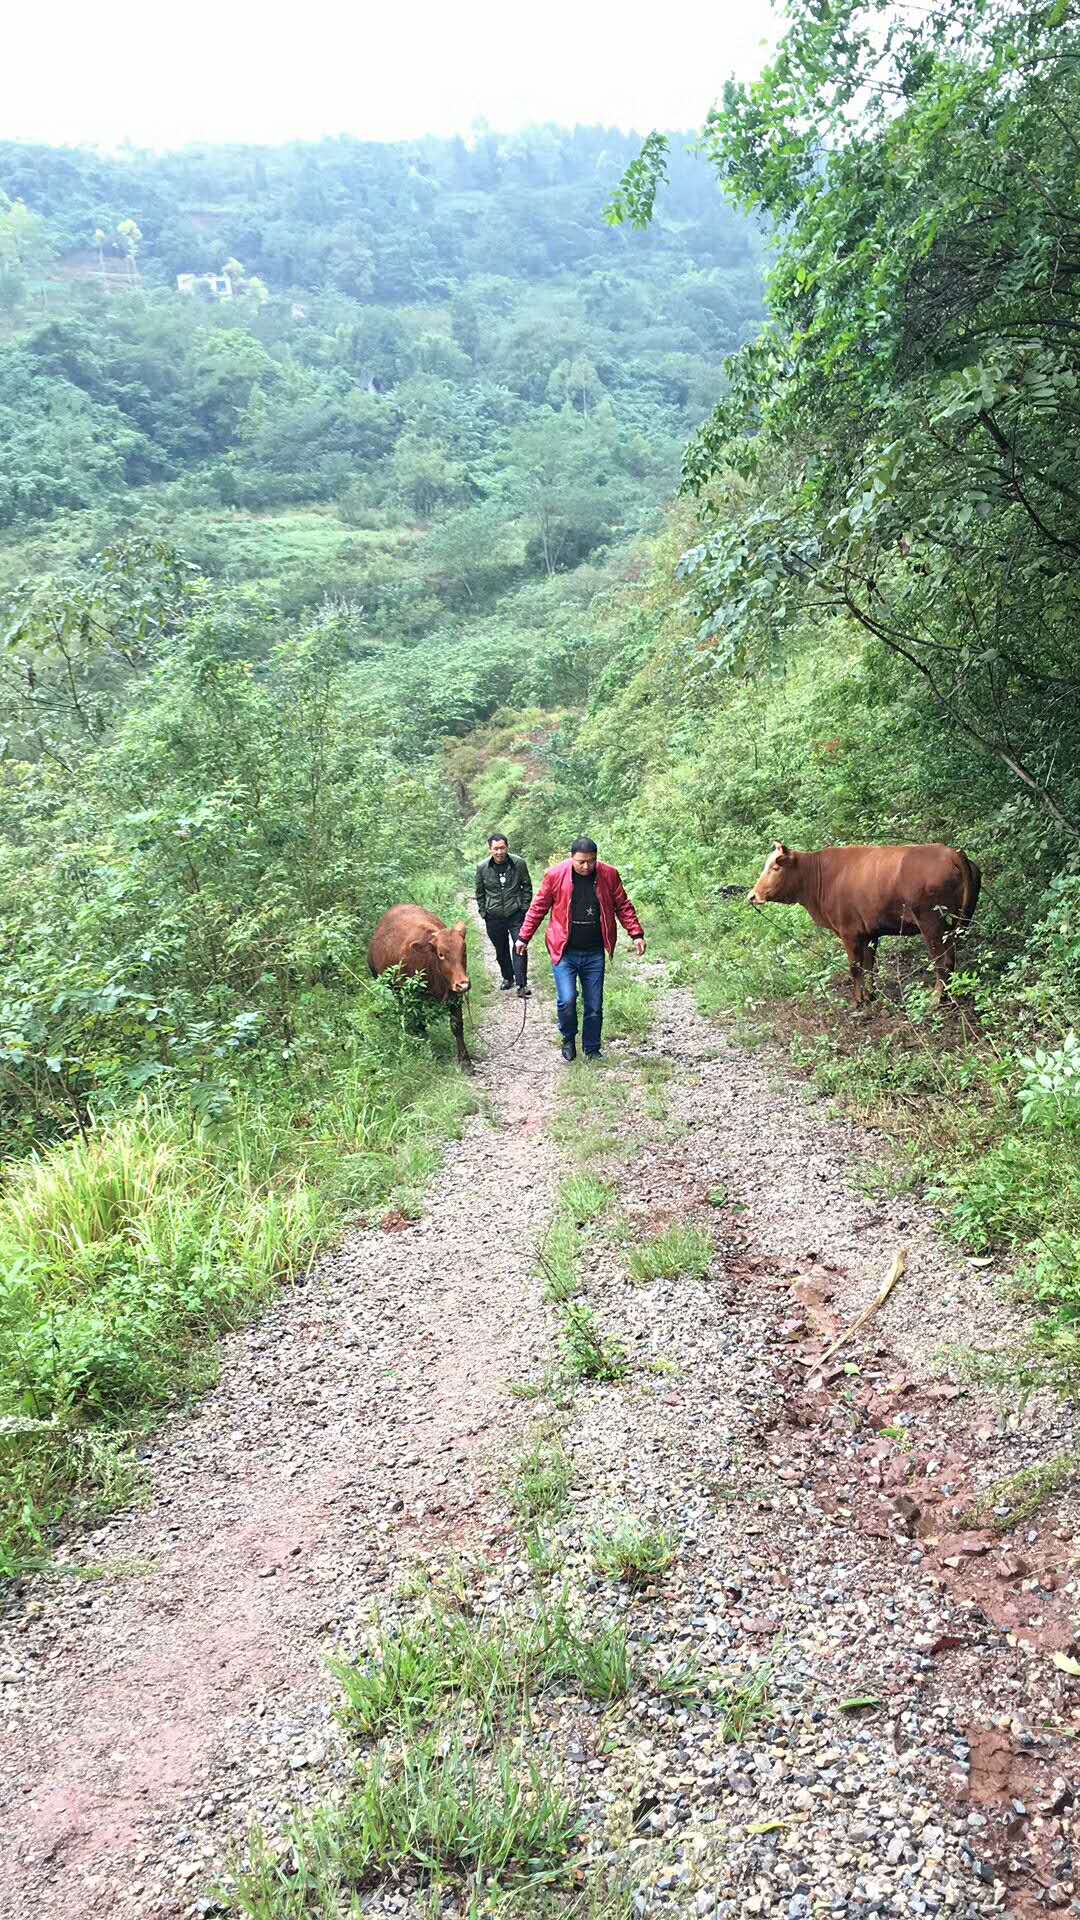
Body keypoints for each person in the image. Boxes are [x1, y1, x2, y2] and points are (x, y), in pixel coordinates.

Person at [515, 836, 645, 1062]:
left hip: (594, 950)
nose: (587, 866)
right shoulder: (555, 875)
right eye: (581, 862)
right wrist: (523, 937)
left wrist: (636, 934)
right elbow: (538, 907)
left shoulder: (609, 874)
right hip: (564, 950)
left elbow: (622, 904)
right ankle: (568, 1037)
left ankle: (592, 1048)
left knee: (594, 1003)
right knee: (567, 999)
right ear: (571, 858)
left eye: (591, 861)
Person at [475, 833, 533, 997]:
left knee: (520, 946)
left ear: (507, 847)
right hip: (493, 916)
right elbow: (479, 892)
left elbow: (527, 886)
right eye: (496, 849)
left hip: (515, 914)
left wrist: (524, 907)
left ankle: (522, 984)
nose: (499, 852)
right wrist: (483, 911)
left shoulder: (518, 863)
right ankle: (508, 977)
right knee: (501, 949)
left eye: (502, 848)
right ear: (490, 849)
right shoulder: (482, 867)